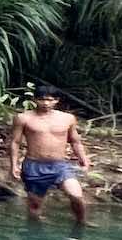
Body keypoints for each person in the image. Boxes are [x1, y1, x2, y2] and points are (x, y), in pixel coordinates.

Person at [6, 85, 93, 226]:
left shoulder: (67, 118)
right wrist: (13, 165)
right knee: (34, 207)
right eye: (41, 99)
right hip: (34, 166)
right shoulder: (23, 118)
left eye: (49, 100)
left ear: (56, 101)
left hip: (60, 165)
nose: (45, 103)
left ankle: (81, 223)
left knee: (76, 195)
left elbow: (75, 141)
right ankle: (35, 232)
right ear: (35, 99)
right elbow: (15, 142)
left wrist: (83, 158)